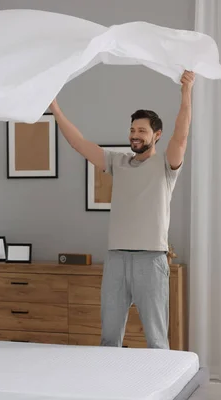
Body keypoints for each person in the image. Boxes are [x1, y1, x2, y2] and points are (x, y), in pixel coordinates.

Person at [50, 71, 195, 349]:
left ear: (157, 134)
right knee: (109, 338)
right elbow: (78, 143)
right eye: (132, 130)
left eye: (141, 130)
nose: (135, 135)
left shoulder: (166, 166)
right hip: (116, 260)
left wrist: (186, 92)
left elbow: (183, 134)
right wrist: (55, 107)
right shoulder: (118, 162)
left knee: (155, 339)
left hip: (150, 262)